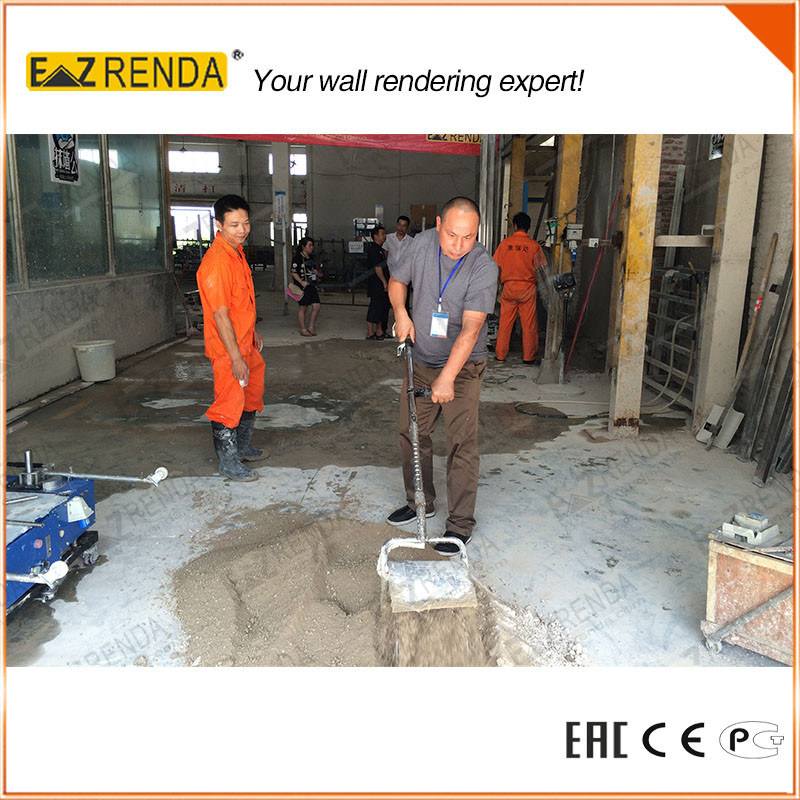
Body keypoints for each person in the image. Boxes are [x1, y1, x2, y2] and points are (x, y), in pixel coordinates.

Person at [386, 197, 498, 555]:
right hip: (420, 359)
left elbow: (471, 330)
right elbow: (397, 281)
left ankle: (460, 524)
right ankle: (420, 501)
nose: (459, 245)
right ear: (438, 225)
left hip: (463, 367)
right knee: (411, 432)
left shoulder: (484, 266)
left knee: (461, 443)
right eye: (452, 235)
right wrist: (401, 313)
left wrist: (447, 377)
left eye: (469, 237)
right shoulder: (421, 244)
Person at [197, 194, 266, 482]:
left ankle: (243, 446)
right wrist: (236, 357)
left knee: (251, 395)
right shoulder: (217, 263)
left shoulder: (237, 253)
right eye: (234, 224)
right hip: (228, 349)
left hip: (245, 341)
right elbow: (221, 315)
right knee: (228, 402)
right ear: (219, 225)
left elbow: (241, 304)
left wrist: (252, 331)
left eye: (246, 223)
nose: (242, 230)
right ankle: (228, 461)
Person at [492, 211, 547, 364]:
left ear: (515, 226)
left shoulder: (505, 244)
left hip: (509, 287)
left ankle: (500, 355)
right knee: (529, 325)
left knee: (505, 323)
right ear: (528, 227)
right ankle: (528, 357)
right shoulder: (534, 246)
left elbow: (496, 267)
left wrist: (497, 287)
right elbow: (541, 269)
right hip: (527, 288)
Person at [384, 214, 414, 326]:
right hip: (390, 273)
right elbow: (385, 254)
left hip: (404, 276)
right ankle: (382, 328)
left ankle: (404, 325)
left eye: (404, 226)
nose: (401, 228)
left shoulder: (411, 241)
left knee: (403, 302)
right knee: (385, 303)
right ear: (397, 225)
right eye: (400, 225)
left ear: (407, 227)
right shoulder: (388, 238)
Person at [291, 236, 323, 336]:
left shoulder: (311, 258)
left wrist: (316, 273)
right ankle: (303, 329)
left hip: (311, 285)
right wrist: (301, 282)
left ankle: (311, 327)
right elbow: (294, 272)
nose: (311, 247)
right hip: (302, 287)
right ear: (303, 246)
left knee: (317, 306)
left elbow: (313, 270)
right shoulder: (297, 258)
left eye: (312, 245)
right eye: (309, 245)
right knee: (303, 307)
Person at [365, 225, 390, 340]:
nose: (384, 236)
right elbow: (378, 268)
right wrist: (384, 282)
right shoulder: (373, 250)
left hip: (380, 283)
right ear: (375, 236)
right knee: (374, 306)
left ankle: (379, 331)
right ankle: (370, 332)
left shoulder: (380, 249)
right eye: (382, 234)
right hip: (376, 283)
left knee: (381, 306)